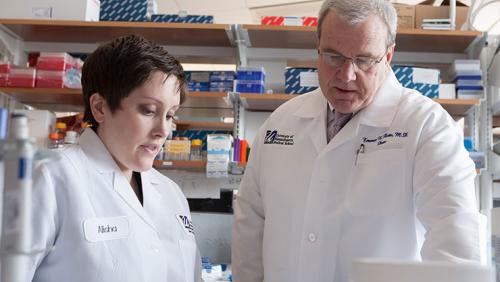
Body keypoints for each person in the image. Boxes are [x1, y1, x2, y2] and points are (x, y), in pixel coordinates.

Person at [232, 0, 486, 281]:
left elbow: (455, 239)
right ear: (317, 47)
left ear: (388, 56)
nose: (347, 75)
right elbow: (250, 225)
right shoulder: (281, 123)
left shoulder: (426, 126)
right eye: (333, 57)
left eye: (364, 60)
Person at [27, 35, 201, 282]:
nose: (163, 130)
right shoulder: (49, 177)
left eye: (171, 115)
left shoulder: (171, 193)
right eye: (149, 110)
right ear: (99, 108)